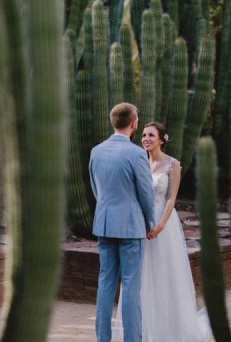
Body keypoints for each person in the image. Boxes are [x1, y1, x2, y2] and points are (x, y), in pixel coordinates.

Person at [115, 122, 212, 342]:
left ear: (161, 139)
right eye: (144, 135)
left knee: (164, 273)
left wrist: (159, 226)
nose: (146, 138)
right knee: (143, 277)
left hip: (163, 225)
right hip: (141, 226)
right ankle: (147, 330)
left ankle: (172, 330)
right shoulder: (139, 161)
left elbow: (171, 198)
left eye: (151, 135)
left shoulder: (172, 164)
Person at [89, 103, 156, 342]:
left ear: (112, 122)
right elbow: (147, 195)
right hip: (131, 227)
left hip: (104, 224)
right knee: (130, 287)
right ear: (134, 124)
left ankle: (103, 339)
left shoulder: (96, 151)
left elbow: (97, 189)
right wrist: (150, 222)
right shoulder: (137, 154)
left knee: (105, 283)